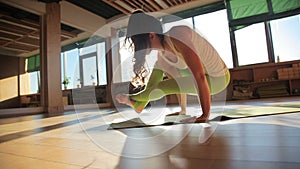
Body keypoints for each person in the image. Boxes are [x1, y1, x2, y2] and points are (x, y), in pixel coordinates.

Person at [116, 10, 230, 122]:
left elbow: (199, 75)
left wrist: (205, 114)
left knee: (163, 86)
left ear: (151, 35)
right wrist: (183, 111)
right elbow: (179, 85)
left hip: (219, 77)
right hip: (202, 76)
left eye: (138, 42)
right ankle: (139, 105)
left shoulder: (178, 35)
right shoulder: (162, 58)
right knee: (157, 74)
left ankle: (133, 99)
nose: (138, 47)